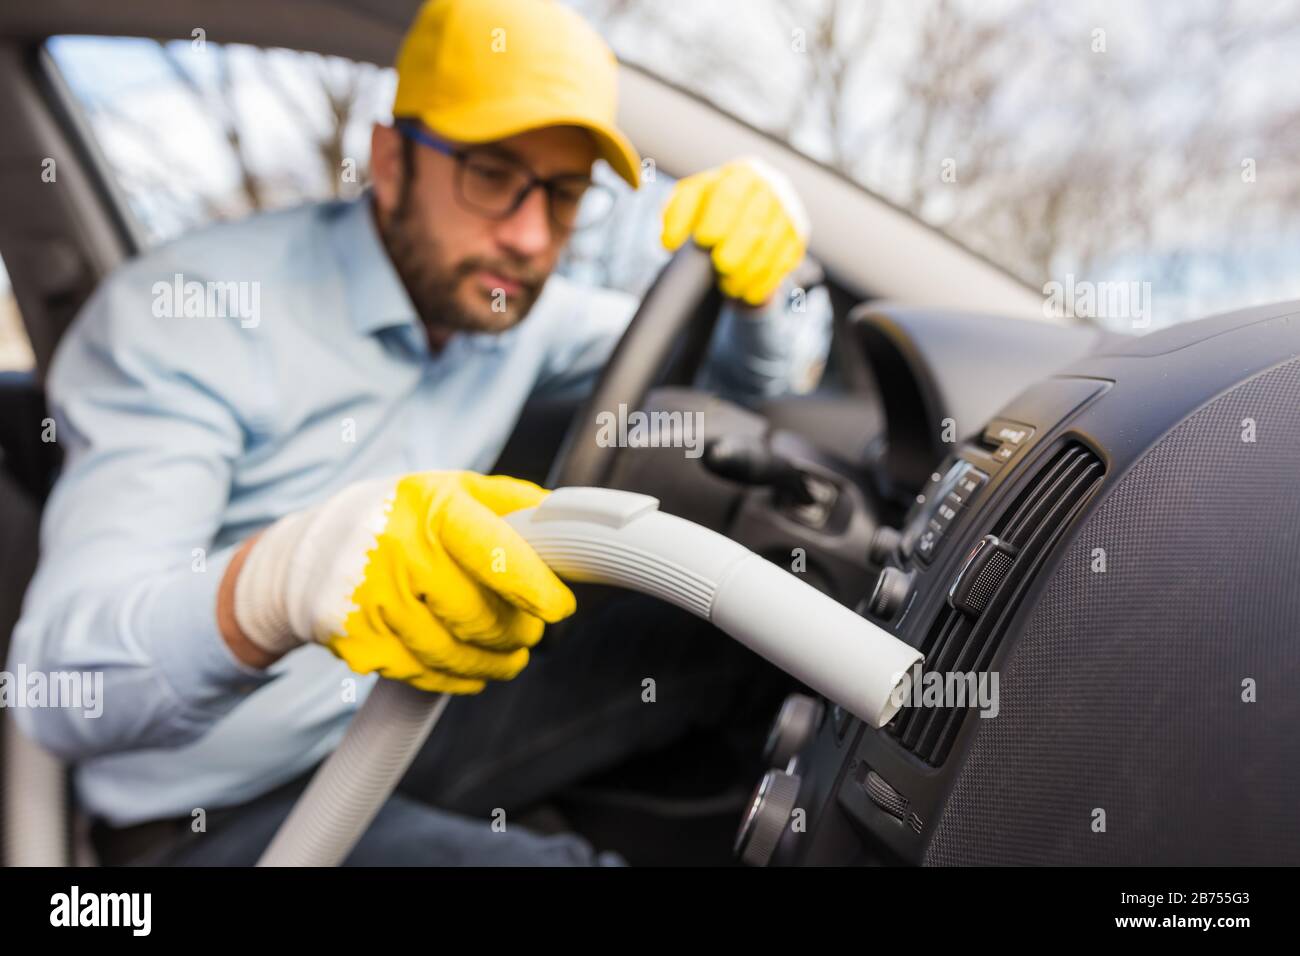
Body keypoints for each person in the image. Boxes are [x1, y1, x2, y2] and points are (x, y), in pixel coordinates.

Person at [10, 0, 831, 865]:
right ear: (391, 161)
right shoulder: (192, 318)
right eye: (490, 172)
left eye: (563, 193)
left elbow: (737, 389)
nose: (526, 234)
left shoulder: (508, 310)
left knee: (733, 643)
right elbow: (61, 690)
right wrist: (282, 580)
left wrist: (763, 290)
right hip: (221, 811)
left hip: (407, 710)